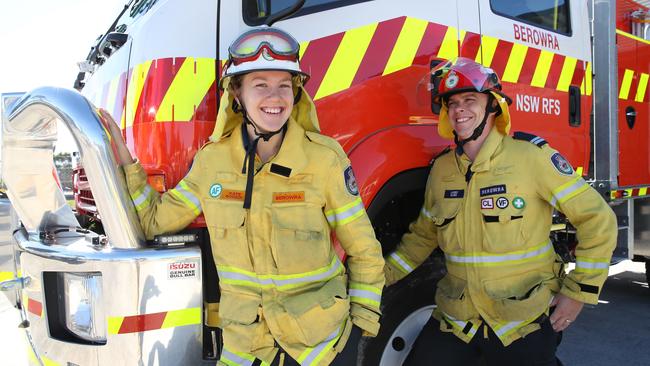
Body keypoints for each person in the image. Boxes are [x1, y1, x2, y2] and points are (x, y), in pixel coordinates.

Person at [102, 27, 384, 366]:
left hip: (320, 349)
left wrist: (360, 329)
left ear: (296, 93)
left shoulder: (325, 159)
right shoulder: (212, 164)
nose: (275, 97)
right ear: (237, 94)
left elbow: (365, 250)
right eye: (260, 85)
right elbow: (152, 220)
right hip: (246, 350)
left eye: (284, 85)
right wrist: (124, 160)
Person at [384, 57, 617, 365]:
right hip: (458, 320)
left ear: (494, 106)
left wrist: (578, 293)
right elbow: (422, 239)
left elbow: (598, 220)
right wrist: (375, 281)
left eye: (470, 100)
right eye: (451, 103)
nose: (459, 110)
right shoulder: (442, 170)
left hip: (520, 322)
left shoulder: (530, 158)